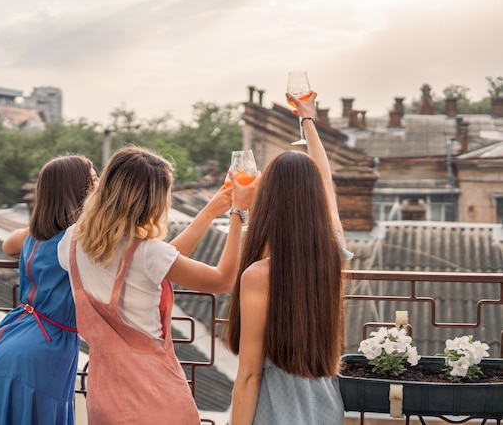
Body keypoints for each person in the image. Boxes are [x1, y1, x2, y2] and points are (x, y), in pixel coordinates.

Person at [56, 145, 260, 424]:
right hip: (155, 395)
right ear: (151, 201)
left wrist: (210, 210)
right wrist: (238, 212)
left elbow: (156, 263)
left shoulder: (71, 241)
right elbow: (222, 280)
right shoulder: (147, 253)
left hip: (106, 395)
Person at [222, 91, 353, 425]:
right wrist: (307, 119)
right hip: (323, 404)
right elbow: (326, 181)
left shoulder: (260, 276)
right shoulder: (332, 254)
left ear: (268, 202)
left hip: (277, 410)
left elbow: (250, 375)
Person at [0, 154, 99, 425]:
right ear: (81, 189)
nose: (100, 184)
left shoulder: (32, 236)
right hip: (41, 354)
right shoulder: (80, 239)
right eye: (93, 179)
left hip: (6, 342)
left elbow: (8, 246)